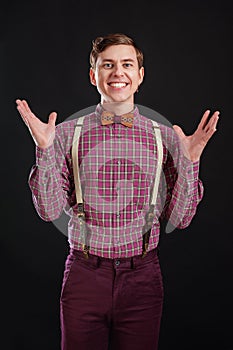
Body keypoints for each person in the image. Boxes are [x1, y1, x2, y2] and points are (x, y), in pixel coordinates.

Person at [16, 33, 219, 350]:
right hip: (84, 275)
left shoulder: (164, 137)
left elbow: (180, 219)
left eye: (126, 64)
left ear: (140, 75)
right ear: (93, 75)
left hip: (143, 277)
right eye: (107, 64)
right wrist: (44, 149)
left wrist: (191, 161)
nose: (117, 72)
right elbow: (50, 211)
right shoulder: (66, 133)